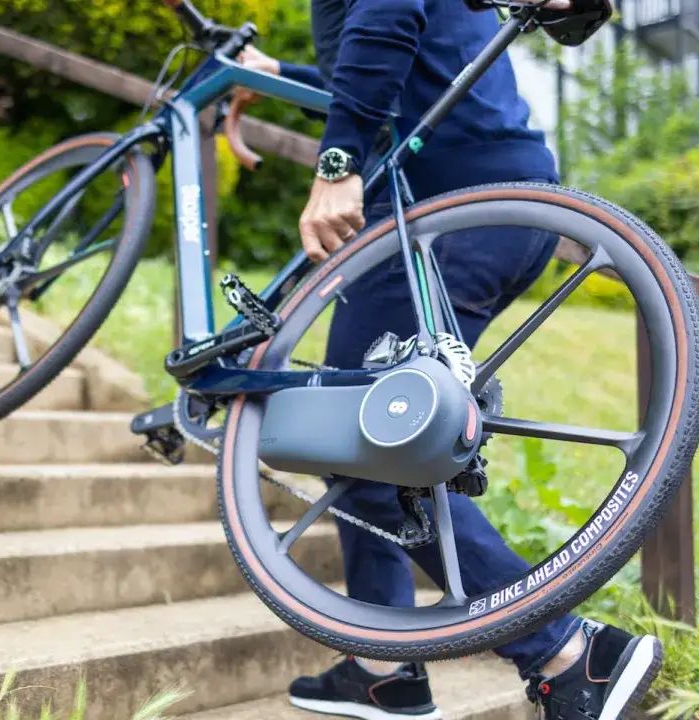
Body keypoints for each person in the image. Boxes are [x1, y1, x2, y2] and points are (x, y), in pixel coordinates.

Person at [234, 1, 663, 719]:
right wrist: (280, 74)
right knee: (360, 440)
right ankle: (381, 664)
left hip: (445, 212)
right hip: (499, 198)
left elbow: (388, 16)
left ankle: (566, 652)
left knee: (362, 442)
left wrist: (337, 162)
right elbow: (390, 69)